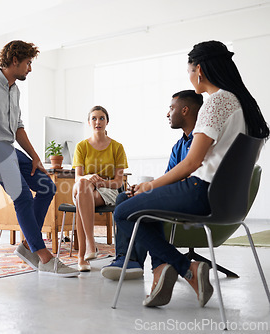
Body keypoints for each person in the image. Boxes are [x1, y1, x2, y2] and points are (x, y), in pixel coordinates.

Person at [113, 40, 268, 308]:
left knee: (122, 210)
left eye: (189, 71)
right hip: (228, 201)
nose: (189, 77)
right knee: (142, 212)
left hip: (200, 191)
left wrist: (149, 186)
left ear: (199, 70)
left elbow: (192, 163)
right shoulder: (246, 107)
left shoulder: (217, 102)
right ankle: (164, 268)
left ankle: (185, 268)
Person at [0, 40, 79, 277]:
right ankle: (43, 255)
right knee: (23, 196)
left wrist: (36, 157)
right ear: (14, 60)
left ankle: (28, 244)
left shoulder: (15, 90)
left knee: (47, 187)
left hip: (9, 147)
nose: (30, 68)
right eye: (28, 63)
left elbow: (18, 127)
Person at [101, 90, 203, 280]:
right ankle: (128, 259)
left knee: (127, 207)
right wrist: (143, 187)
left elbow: (192, 178)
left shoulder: (202, 141)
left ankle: (160, 264)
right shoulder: (179, 145)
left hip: (193, 198)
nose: (167, 113)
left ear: (185, 110)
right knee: (124, 197)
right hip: (178, 196)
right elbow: (170, 178)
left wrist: (149, 188)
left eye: (171, 108)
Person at [72, 106, 128, 272]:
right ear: (89, 123)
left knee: (82, 202)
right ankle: (91, 243)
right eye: (94, 118)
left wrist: (101, 182)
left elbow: (118, 182)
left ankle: (82, 257)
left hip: (107, 189)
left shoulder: (117, 147)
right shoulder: (81, 146)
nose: (98, 122)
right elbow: (77, 177)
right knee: (82, 185)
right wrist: (88, 178)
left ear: (107, 122)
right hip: (83, 187)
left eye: (102, 118)